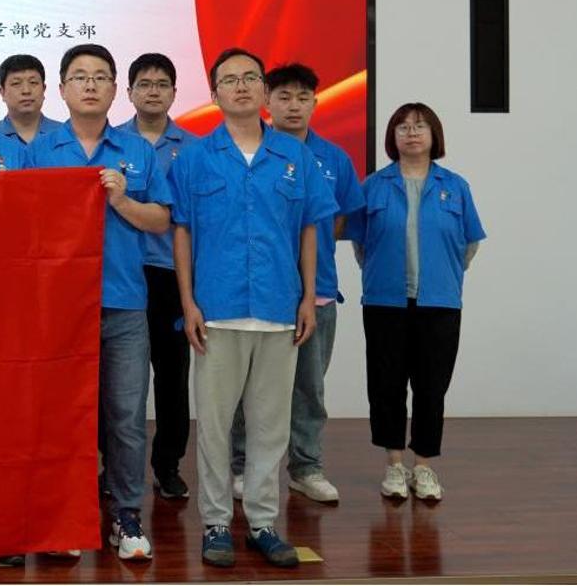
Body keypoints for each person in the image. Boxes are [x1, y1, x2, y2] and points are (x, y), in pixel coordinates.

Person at [169, 48, 336, 569]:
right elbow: (181, 231)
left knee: (270, 426)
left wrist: (307, 298)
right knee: (215, 427)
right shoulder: (195, 157)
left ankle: (263, 522)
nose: (240, 86)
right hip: (216, 311)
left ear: (264, 90)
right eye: (229, 80)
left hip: (278, 308)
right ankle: (216, 523)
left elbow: (309, 229)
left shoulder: (294, 157)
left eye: (249, 78)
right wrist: (187, 302)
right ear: (214, 93)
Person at [31, 44, 172, 561]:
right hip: (59, 308)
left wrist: (121, 200)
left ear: (115, 89)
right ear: (62, 89)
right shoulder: (40, 151)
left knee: (126, 416)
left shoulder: (138, 151)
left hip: (124, 304)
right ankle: (62, 516)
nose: (89, 85)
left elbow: (161, 220)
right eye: (79, 77)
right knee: (60, 416)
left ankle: (126, 515)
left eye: (100, 77)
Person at [227, 64, 365, 505]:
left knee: (309, 389)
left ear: (315, 104)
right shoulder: (250, 154)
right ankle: (242, 466)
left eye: (303, 98)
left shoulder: (334, 160)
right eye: (284, 96)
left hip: (317, 292)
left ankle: (306, 468)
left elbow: (338, 220)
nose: (293, 106)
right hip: (260, 292)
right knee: (248, 389)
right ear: (267, 101)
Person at [348, 103, 484, 501]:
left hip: (440, 302)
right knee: (386, 385)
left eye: (420, 126)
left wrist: (443, 275)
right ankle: (394, 465)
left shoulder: (455, 186)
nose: (411, 133)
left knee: (431, 386)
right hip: (385, 302)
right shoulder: (373, 186)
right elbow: (361, 245)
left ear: (434, 135)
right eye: (403, 127)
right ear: (392, 136)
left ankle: (423, 466)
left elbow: (469, 244)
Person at [119, 52, 198, 500]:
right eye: (144, 84)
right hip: (120, 272)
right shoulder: (112, 143)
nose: (153, 91)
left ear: (173, 92)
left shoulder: (194, 148)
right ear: (129, 92)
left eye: (161, 84)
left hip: (171, 275)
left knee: (171, 376)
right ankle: (113, 465)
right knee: (116, 379)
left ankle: (167, 465)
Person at [0, 53, 63, 144]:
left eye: (33, 82)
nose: (26, 91)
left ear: (43, 89)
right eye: (16, 83)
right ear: (2, 92)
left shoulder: (66, 135)